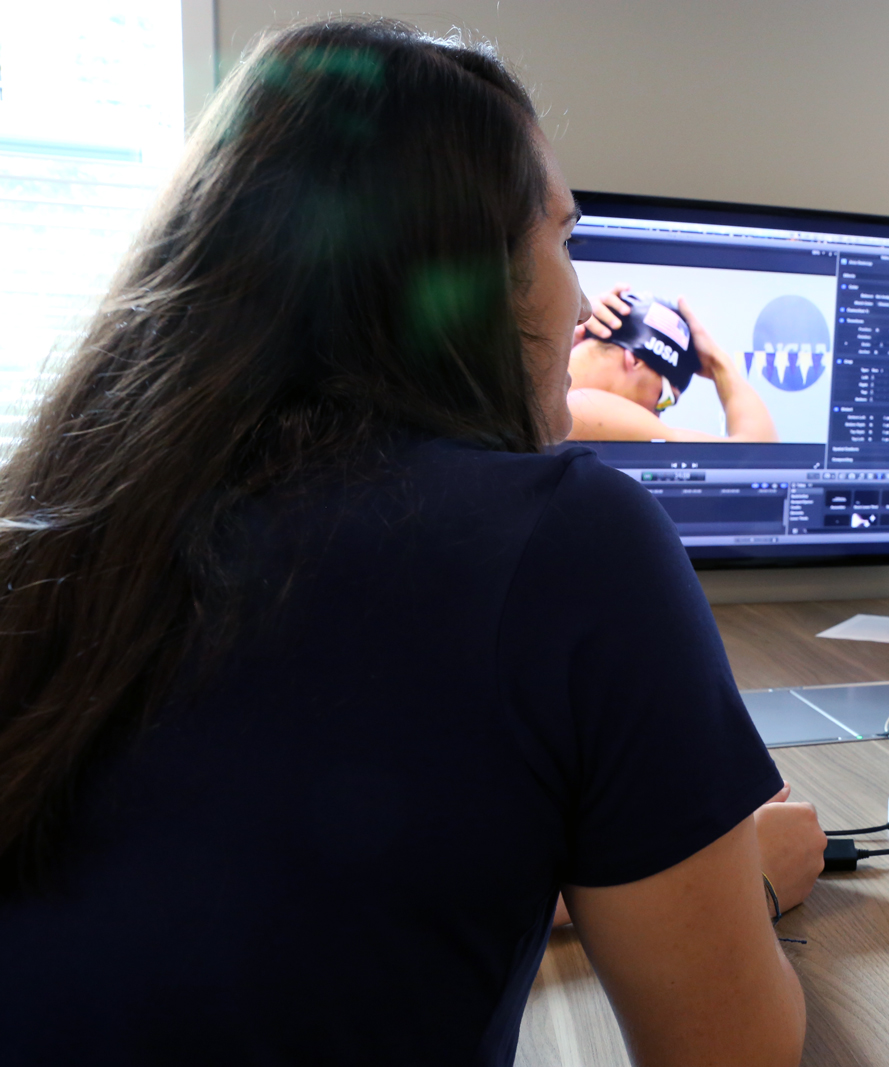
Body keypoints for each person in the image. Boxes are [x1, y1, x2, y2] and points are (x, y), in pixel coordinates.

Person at [0, 20, 819, 1066]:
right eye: (563, 238)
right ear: (471, 281)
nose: (576, 297)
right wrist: (744, 881)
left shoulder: (66, 517)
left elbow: (254, 888)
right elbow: (731, 1052)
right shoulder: (572, 533)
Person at [568, 284, 779, 441]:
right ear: (635, 360)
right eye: (665, 399)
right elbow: (758, 454)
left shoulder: (544, 392)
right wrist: (719, 364)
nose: (655, 417)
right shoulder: (580, 408)